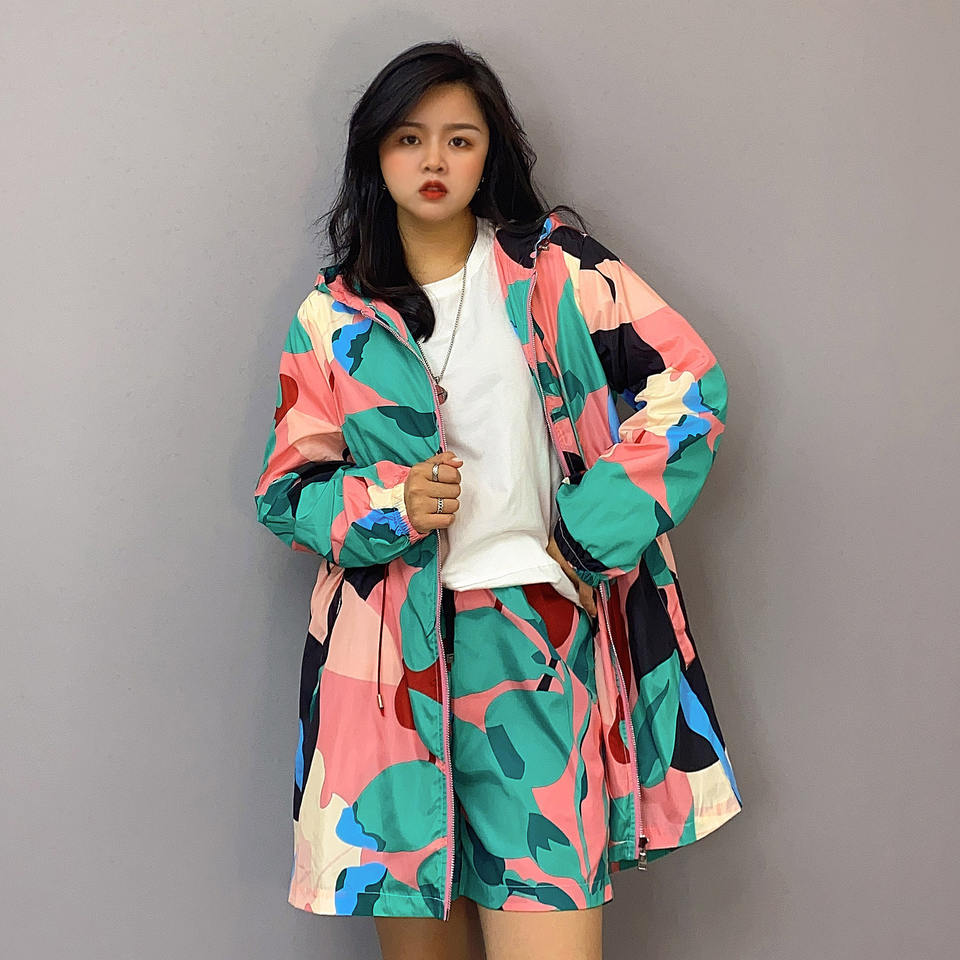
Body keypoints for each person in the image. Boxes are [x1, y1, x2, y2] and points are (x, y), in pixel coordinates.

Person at [253, 39, 742, 960]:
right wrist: (393, 503)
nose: (433, 159)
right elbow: (287, 494)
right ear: (375, 154)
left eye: (460, 138)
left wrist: (589, 536)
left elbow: (690, 390)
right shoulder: (331, 317)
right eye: (409, 138)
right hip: (385, 672)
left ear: (491, 154)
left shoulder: (557, 272)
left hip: (537, 646)